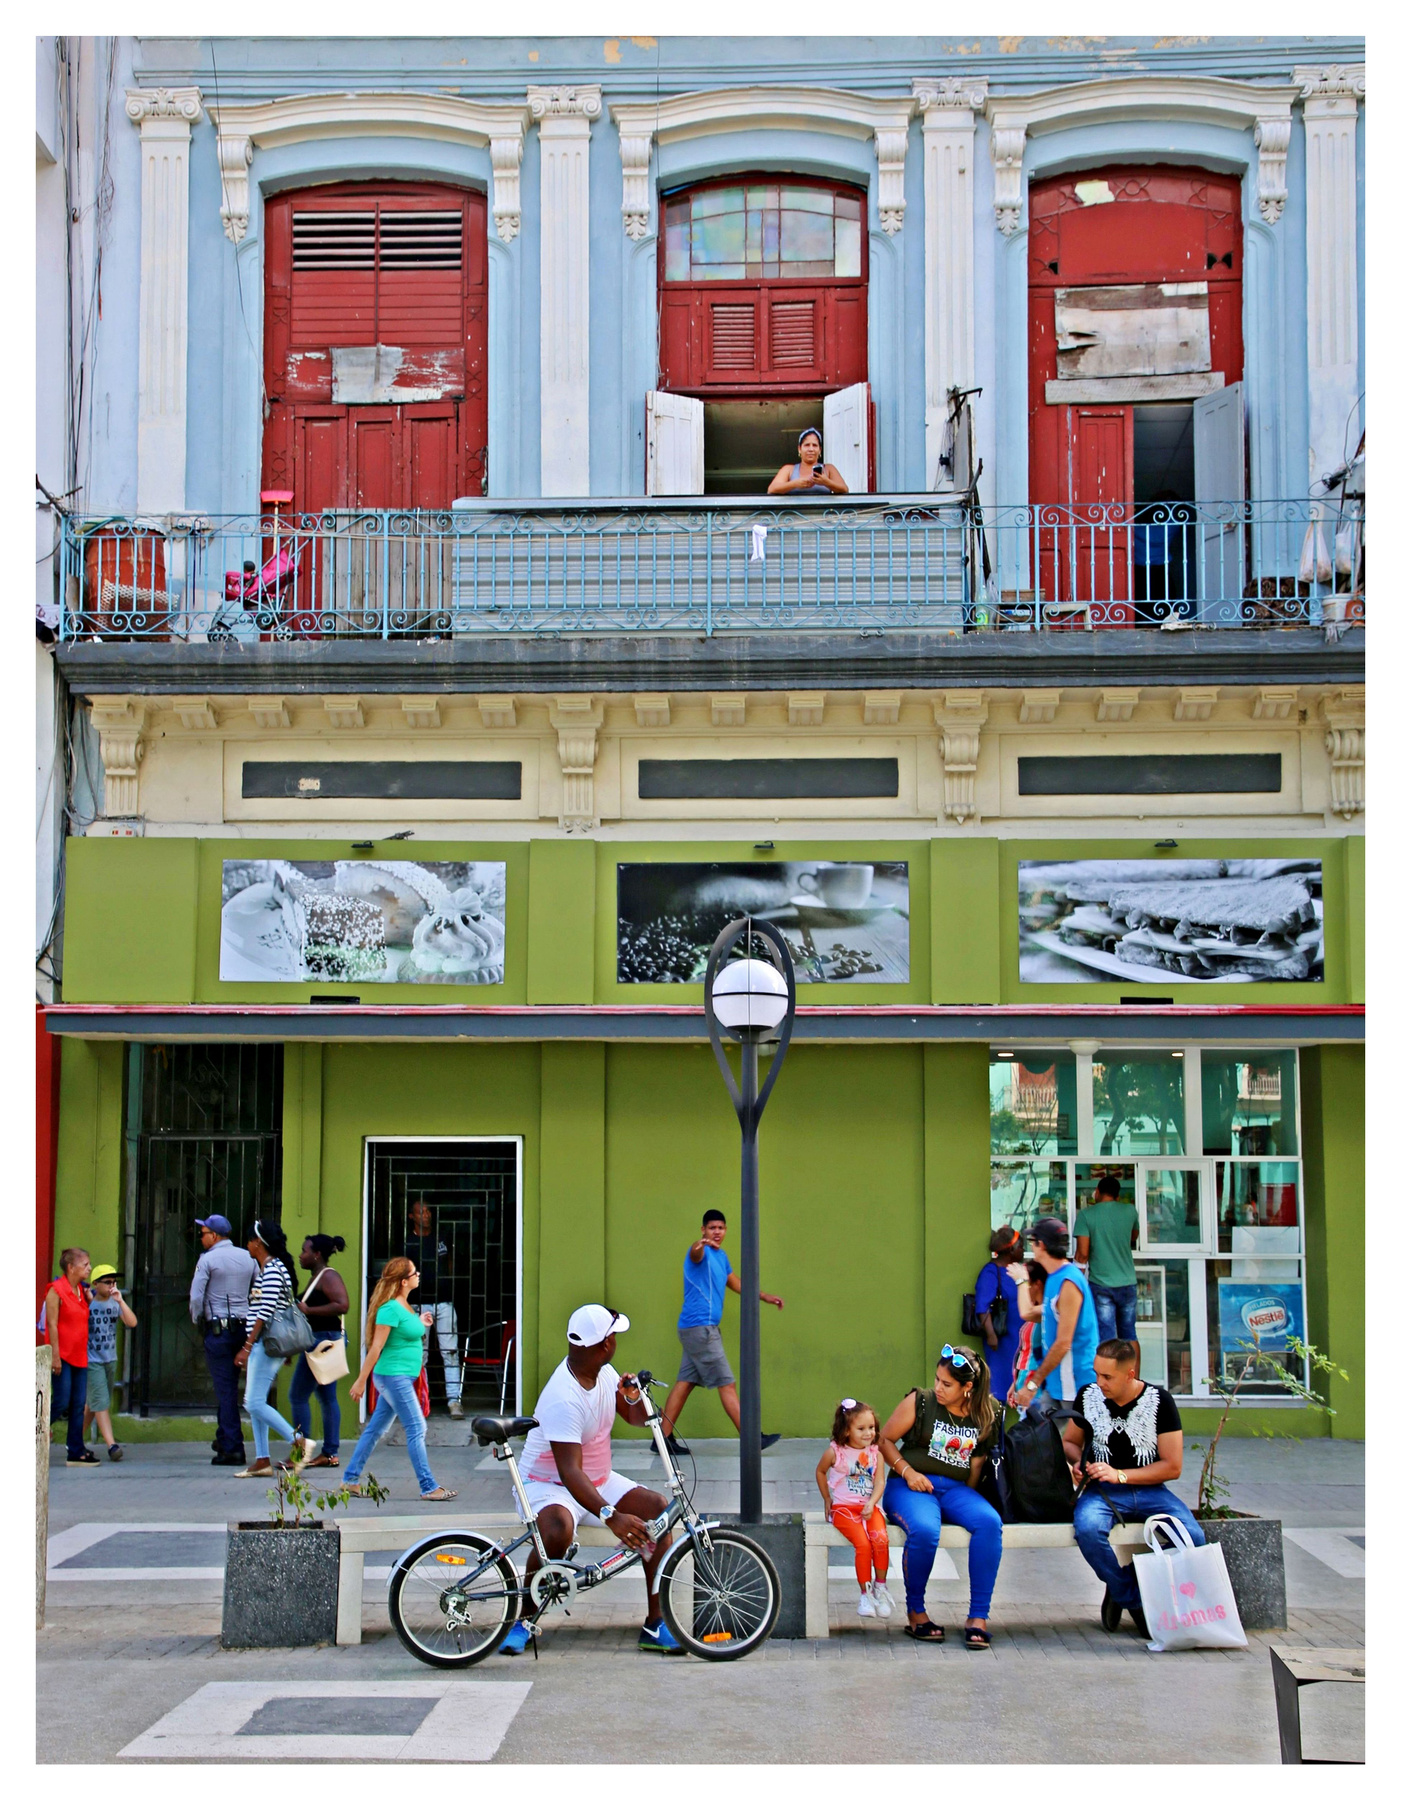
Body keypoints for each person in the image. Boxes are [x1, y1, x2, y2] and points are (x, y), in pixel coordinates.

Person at [500, 1303, 681, 1657]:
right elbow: (569, 1472)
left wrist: (633, 1397)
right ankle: (522, 1620)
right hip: (546, 1485)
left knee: (658, 1511)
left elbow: (634, 1418)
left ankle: (655, 1624)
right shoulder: (563, 1397)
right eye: (614, 1336)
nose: (616, 1341)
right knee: (557, 1528)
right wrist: (612, 1516)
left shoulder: (604, 1373)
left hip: (596, 1480)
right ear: (604, 1344)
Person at [1063, 1338, 1207, 1637]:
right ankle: (1134, 1600)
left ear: (1130, 1374)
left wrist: (1120, 1475)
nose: (1099, 1383)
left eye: (1107, 1376)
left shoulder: (1160, 1401)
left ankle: (1122, 1583)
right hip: (1102, 1492)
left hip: (1150, 1490)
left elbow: (1172, 1466)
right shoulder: (1088, 1396)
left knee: (1192, 1537)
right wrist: (1080, 1463)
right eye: (1096, 1374)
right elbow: (1069, 1442)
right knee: (1088, 1530)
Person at [878, 1346, 1006, 1649]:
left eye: (947, 1384)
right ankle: (916, 1611)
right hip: (910, 1486)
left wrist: (965, 1502)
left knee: (989, 1523)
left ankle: (978, 1617)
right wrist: (908, 1472)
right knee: (925, 1529)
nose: (938, 1387)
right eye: (937, 1379)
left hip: (955, 1490)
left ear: (967, 1387)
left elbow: (977, 1463)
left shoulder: (988, 1411)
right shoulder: (921, 1401)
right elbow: (884, 1440)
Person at [656, 1208, 784, 1454]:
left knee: (685, 1382)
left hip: (695, 1329)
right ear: (703, 1230)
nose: (717, 1232)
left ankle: (662, 1438)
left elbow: (736, 1283)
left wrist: (765, 1296)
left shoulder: (721, 1256)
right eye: (712, 1228)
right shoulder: (699, 1252)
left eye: (721, 1228)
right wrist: (699, 1244)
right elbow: (694, 1252)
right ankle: (752, 1438)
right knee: (727, 1384)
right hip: (701, 1329)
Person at [341, 1257, 456, 1502]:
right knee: (417, 1427)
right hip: (393, 1376)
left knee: (375, 1429)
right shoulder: (389, 1309)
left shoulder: (404, 1305)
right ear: (404, 1281)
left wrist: (420, 1322)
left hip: (400, 1376)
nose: (418, 1275)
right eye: (414, 1273)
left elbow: (405, 1331)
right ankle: (428, 1487)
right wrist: (361, 1381)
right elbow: (376, 1347)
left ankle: (350, 1480)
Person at [232, 1220, 316, 1479]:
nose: (247, 1245)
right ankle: (262, 1460)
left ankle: (299, 1441)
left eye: (249, 1240)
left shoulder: (271, 1270)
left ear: (258, 1242)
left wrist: (247, 1346)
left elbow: (266, 1311)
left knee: (254, 1403)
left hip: (263, 1344)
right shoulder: (271, 1268)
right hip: (265, 1345)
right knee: (256, 1402)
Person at [189, 1213, 257, 1466]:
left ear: (215, 1236)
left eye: (204, 1234)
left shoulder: (207, 1259)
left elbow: (196, 1296)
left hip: (218, 1329)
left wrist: (197, 1319)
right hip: (243, 1329)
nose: (201, 1238)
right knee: (228, 1387)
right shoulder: (248, 1257)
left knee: (225, 1390)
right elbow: (258, 1290)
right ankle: (223, 1436)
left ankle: (232, 1447)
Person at [1010, 1216, 1098, 1413]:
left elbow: (1063, 1343)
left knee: (1069, 1434)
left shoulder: (1068, 1282)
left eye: (1032, 1241)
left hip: (1075, 1385)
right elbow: (1030, 1313)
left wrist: (1032, 1385)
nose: (1031, 1247)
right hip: (1057, 1385)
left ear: (1041, 1245)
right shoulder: (1054, 1278)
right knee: (1040, 1431)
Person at [816, 1398, 891, 1619]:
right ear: (846, 1430)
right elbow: (820, 1471)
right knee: (863, 1544)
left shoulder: (876, 1454)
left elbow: (880, 1482)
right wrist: (827, 1498)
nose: (869, 1433)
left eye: (872, 1427)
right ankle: (865, 1595)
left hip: (868, 1507)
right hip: (844, 1509)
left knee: (880, 1539)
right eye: (861, 1428)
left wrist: (872, 1502)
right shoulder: (836, 1452)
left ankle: (881, 1588)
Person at [290, 1234, 349, 1470]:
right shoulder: (318, 1277)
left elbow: (342, 1305)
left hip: (322, 1342)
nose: (300, 1255)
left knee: (297, 1396)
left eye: (304, 1251)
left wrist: (309, 1310)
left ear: (316, 1254)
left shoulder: (329, 1276)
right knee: (326, 1397)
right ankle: (330, 1453)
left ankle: (300, 1453)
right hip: (322, 1340)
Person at [404, 1198, 463, 1419]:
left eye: (428, 1211)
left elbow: (450, 1263)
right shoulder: (408, 1243)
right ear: (412, 1216)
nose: (426, 1215)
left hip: (444, 1302)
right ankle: (420, 1403)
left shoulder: (441, 1238)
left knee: (450, 1352)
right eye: (421, 1212)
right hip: (419, 1304)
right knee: (420, 1354)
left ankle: (454, 1401)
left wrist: (449, 1286)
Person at [1075, 1175, 1141, 1354]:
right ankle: (1134, 1373)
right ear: (1117, 1196)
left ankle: (1108, 1373)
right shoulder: (1130, 1211)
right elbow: (1133, 1236)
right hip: (1128, 1283)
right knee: (1129, 1335)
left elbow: (1082, 1254)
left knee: (1107, 1339)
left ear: (1097, 1192)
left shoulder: (1086, 1215)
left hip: (1101, 1285)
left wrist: (1074, 1284)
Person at [45, 1248, 97, 1466]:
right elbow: (52, 1324)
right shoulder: (56, 1290)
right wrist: (55, 1356)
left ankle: (75, 1450)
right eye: (85, 1264)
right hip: (63, 1356)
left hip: (79, 1355)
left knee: (78, 1404)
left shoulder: (82, 1291)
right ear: (71, 1267)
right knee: (61, 1401)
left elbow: (79, 1319)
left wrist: (89, 1301)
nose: (89, 1268)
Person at [83, 1265, 136, 1461]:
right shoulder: (88, 1303)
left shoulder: (115, 1303)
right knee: (101, 1401)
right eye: (107, 1282)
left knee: (94, 1403)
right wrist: (88, 1301)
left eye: (114, 1282)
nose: (111, 1286)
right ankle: (112, 1445)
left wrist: (120, 1301)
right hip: (92, 1360)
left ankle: (74, 1440)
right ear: (96, 1284)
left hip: (109, 1359)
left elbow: (132, 1322)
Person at [973, 1226, 1022, 1405]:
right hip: (1001, 1342)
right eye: (1020, 1246)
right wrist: (991, 1335)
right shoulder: (991, 1272)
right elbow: (982, 1307)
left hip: (1019, 1339)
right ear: (1010, 1250)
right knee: (1000, 1388)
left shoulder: (1017, 1270)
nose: (1023, 1250)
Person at [1007, 1257, 1048, 1414]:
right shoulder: (1036, 1312)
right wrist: (1015, 1383)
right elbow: (1026, 1352)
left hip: (1036, 1392)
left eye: (1027, 1285)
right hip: (1025, 1387)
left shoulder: (1046, 1312)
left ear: (1037, 1284)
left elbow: (1044, 1358)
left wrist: (1031, 1386)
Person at [766, 427, 850, 496]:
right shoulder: (789, 469)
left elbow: (844, 489)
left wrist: (826, 482)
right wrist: (795, 484)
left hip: (823, 512)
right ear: (799, 449)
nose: (811, 449)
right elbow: (772, 489)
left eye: (814, 445)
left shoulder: (829, 468)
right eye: (807, 445)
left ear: (820, 450)